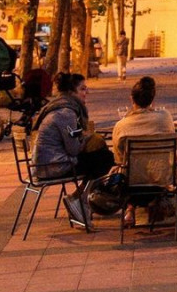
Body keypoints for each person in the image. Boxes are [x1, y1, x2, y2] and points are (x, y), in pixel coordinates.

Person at [32, 72, 115, 228]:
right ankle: (81, 201)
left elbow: (72, 139)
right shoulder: (66, 112)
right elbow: (74, 150)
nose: (87, 93)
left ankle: (77, 198)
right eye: (83, 89)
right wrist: (87, 139)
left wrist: (83, 138)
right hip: (52, 166)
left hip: (47, 162)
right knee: (105, 159)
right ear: (71, 92)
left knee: (100, 156)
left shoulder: (60, 106)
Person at [110, 76, 176, 228]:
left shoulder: (122, 125)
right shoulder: (165, 118)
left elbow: (119, 159)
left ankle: (130, 208)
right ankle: (155, 202)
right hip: (161, 180)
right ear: (153, 99)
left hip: (132, 185)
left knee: (126, 168)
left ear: (131, 99)